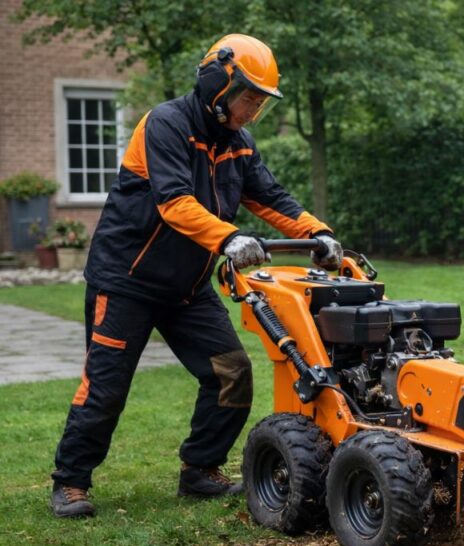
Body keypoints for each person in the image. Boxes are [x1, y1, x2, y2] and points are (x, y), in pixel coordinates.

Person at [49, 34, 343, 518]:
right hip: (126, 280)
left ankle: (199, 471)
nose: (253, 109)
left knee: (231, 374)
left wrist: (320, 233)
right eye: (248, 96)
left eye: (260, 101)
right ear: (218, 83)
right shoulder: (164, 125)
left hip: (186, 289)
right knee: (107, 386)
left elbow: (270, 198)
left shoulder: (238, 143)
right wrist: (228, 239)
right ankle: (71, 481)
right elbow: (173, 203)